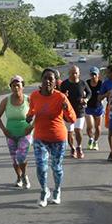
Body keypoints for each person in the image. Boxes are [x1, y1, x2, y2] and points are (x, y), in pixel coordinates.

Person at [26, 68, 76, 207]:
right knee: (41, 167)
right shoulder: (35, 96)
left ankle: (57, 190)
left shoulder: (61, 97)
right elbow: (31, 113)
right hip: (40, 137)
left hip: (58, 138)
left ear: (55, 83)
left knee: (56, 167)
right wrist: (28, 117)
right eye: (45, 78)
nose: (47, 81)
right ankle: (44, 191)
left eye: (51, 79)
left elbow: (72, 119)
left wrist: (66, 108)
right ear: (41, 80)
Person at [0, 75, 33, 189]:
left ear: (23, 86)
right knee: (14, 159)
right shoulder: (6, 101)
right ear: (10, 87)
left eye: (18, 85)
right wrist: (4, 130)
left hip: (25, 133)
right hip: (10, 134)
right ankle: (19, 177)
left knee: (21, 157)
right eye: (13, 85)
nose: (16, 88)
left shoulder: (29, 100)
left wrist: (31, 127)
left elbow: (38, 114)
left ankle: (25, 175)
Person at [59, 65, 91, 159]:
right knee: (70, 132)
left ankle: (79, 147)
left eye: (76, 73)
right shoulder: (64, 84)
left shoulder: (83, 83)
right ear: (69, 73)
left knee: (78, 130)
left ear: (79, 73)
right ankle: (72, 148)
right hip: (68, 111)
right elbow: (59, 95)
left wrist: (86, 99)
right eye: (72, 73)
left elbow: (89, 93)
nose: (74, 75)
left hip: (79, 110)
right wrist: (64, 95)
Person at [98, 64, 112, 161]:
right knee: (111, 131)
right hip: (110, 109)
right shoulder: (106, 83)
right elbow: (99, 98)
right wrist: (107, 94)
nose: (107, 74)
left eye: (108, 72)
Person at [85, 66, 103, 150]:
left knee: (98, 127)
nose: (93, 76)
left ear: (98, 75)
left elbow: (107, 93)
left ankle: (95, 142)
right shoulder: (87, 83)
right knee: (90, 126)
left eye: (95, 74)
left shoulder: (101, 84)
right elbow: (82, 92)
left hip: (98, 108)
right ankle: (91, 139)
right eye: (92, 74)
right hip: (89, 108)